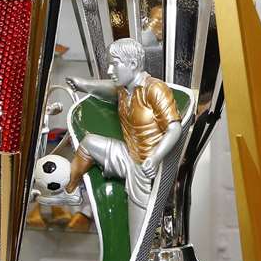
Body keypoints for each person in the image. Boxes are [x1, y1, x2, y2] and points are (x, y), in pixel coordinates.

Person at [66, 37, 184, 210]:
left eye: (114, 64)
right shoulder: (123, 89)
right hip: (128, 155)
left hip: (146, 167)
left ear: (133, 63)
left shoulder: (154, 89)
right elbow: (106, 88)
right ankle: (69, 191)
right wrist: (82, 84)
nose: (109, 70)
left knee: (139, 233)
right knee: (89, 143)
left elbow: (174, 128)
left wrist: (155, 157)